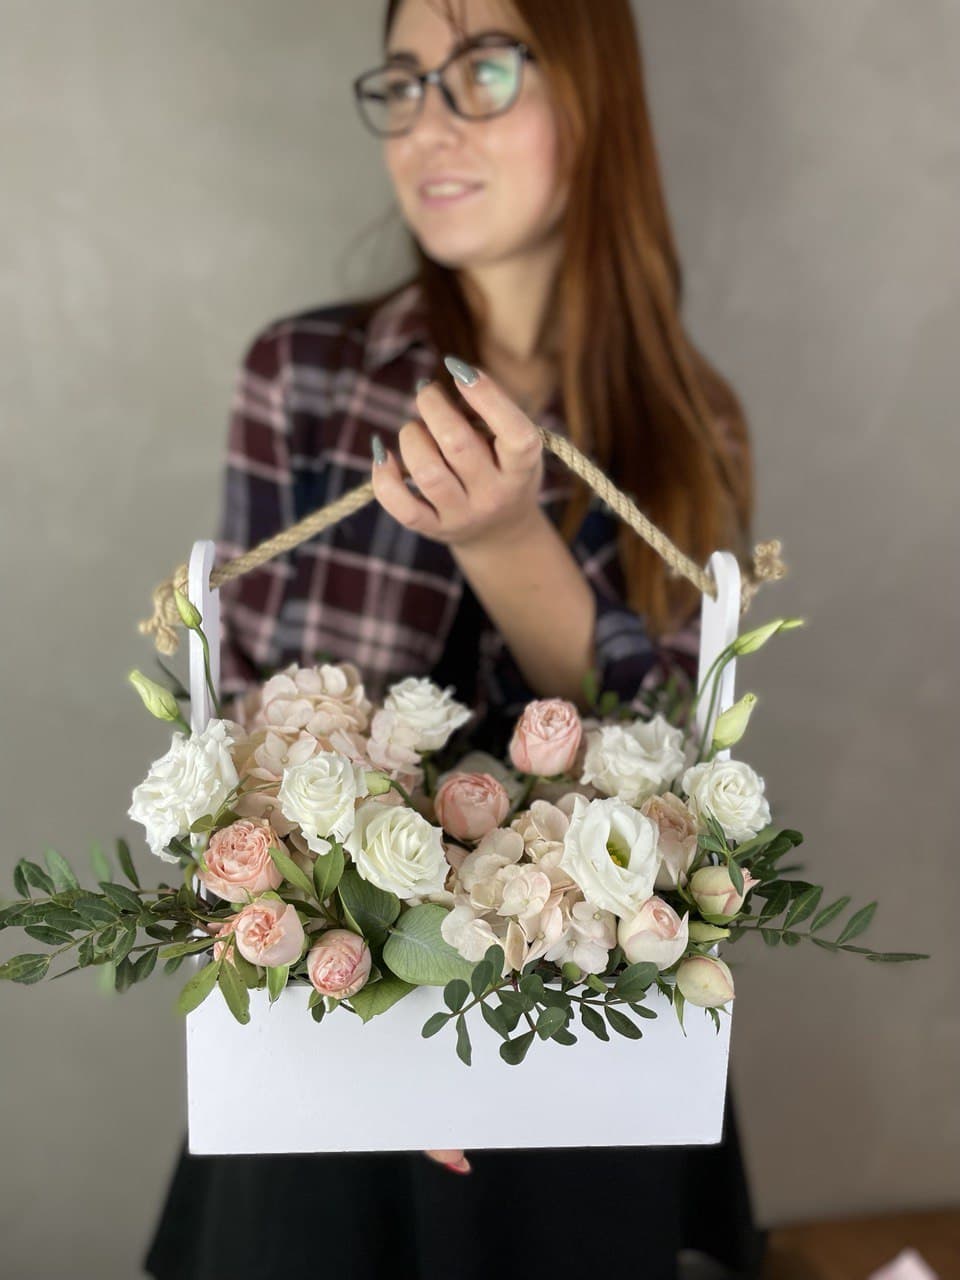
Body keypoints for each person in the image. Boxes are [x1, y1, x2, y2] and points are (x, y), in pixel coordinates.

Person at [144, 1, 766, 1276]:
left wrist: (506, 538)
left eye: (483, 71)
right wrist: (395, 1037)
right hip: (326, 1032)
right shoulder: (310, 375)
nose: (429, 122)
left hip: (586, 1043)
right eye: (405, 80)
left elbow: (671, 769)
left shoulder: (686, 424)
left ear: (592, 97)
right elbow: (238, 744)